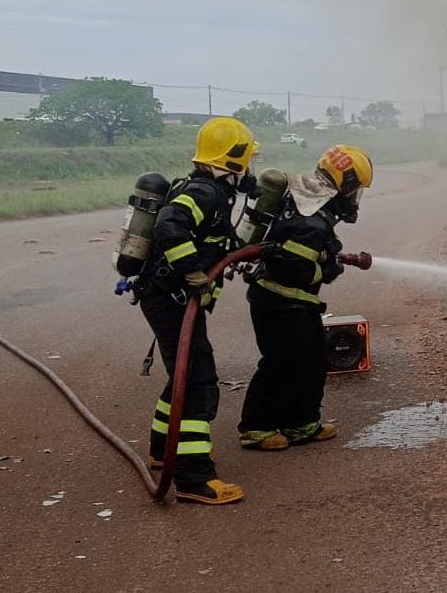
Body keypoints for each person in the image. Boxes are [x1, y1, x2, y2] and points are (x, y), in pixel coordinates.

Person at [134, 116, 259, 505]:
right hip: (170, 298)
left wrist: (236, 254)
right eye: (247, 161)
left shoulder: (211, 194)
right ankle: (192, 477)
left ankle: (162, 449)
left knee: (183, 375)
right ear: (233, 160)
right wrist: (193, 272)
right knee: (198, 381)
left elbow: (217, 238)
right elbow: (171, 225)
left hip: (168, 297)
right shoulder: (206, 192)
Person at [238, 144, 373, 451]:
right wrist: (326, 269)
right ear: (347, 183)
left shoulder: (310, 200)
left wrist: (328, 254)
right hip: (278, 302)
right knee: (281, 364)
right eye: (356, 190)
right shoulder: (311, 217)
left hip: (297, 302)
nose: (354, 198)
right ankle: (256, 427)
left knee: (313, 360)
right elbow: (294, 267)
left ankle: (301, 423)